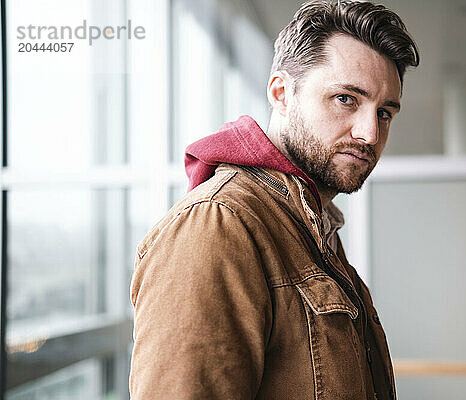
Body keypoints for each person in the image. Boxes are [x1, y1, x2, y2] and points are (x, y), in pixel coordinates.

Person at [129, 0, 419, 398]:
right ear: (281, 93)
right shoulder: (218, 225)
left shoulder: (311, 226)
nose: (370, 133)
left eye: (385, 112)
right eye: (346, 99)